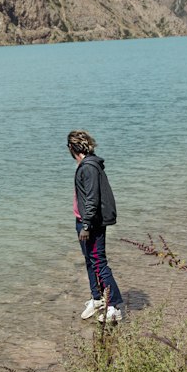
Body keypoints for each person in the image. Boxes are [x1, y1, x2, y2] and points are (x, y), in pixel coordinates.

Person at [68, 129, 124, 324]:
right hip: (84, 220)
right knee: (90, 260)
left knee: (99, 262)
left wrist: (86, 225)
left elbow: (92, 198)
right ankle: (98, 298)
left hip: (91, 223)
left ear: (71, 148)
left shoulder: (88, 168)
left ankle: (114, 306)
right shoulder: (87, 165)